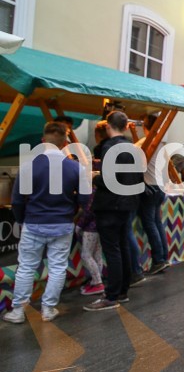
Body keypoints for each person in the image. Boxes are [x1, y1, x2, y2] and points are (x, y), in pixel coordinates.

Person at [3, 122, 89, 323]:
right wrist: (73, 212)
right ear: (65, 143)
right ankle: (48, 309)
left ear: (43, 141)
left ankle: (18, 311)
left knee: (26, 267)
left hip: (33, 223)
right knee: (58, 267)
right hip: (63, 225)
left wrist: (22, 220)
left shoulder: (28, 167)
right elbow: (85, 199)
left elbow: (17, 201)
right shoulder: (76, 168)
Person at [84, 111, 144, 311]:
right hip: (128, 204)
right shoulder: (133, 148)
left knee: (112, 250)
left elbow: (108, 179)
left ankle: (111, 295)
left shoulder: (109, 147)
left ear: (108, 126)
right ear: (126, 127)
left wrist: (94, 177)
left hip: (110, 204)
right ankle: (122, 291)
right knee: (122, 246)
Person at [76, 122, 110, 297]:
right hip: (101, 224)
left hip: (91, 227)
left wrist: (79, 225)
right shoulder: (104, 184)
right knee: (97, 253)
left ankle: (97, 282)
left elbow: (89, 210)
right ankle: (98, 279)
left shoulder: (93, 189)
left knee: (86, 254)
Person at [134, 113, 170, 275]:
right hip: (160, 187)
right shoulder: (161, 143)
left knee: (150, 223)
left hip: (149, 187)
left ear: (145, 126)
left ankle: (158, 260)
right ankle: (163, 258)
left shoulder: (145, 143)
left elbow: (128, 152)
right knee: (156, 222)